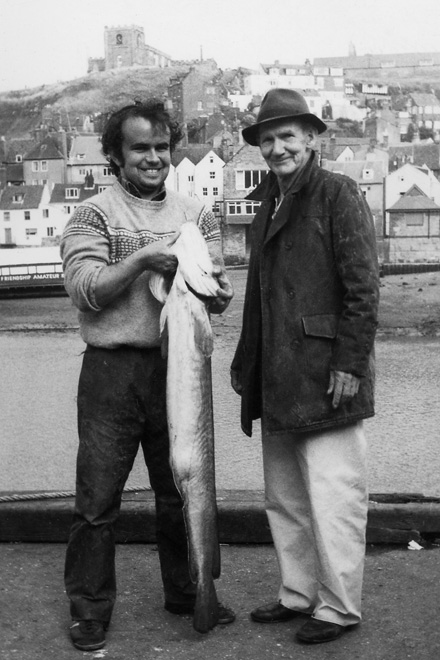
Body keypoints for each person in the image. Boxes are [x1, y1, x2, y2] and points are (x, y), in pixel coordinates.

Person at [61, 100, 234, 652]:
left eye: (162, 147)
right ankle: (89, 609)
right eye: (141, 148)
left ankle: (188, 590)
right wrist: (141, 261)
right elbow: (85, 290)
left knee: (181, 490)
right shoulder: (92, 214)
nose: (155, 158)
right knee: (97, 499)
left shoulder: (196, 212)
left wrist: (219, 293)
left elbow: (216, 288)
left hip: (179, 366)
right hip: (112, 371)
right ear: (116, 155)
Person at [231, 88, 379, 645]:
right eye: (267, 139)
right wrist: (246, 362)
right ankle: (298, 594)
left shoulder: (337, 192)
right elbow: (258, 296)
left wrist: (350, 362)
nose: (276, 147)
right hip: (277, 377)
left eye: (287, 136)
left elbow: (363, 287)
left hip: (326, 374)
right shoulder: (266, 196)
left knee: (335, 497)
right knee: (285, 497)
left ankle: (339, 608)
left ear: (312, 138)